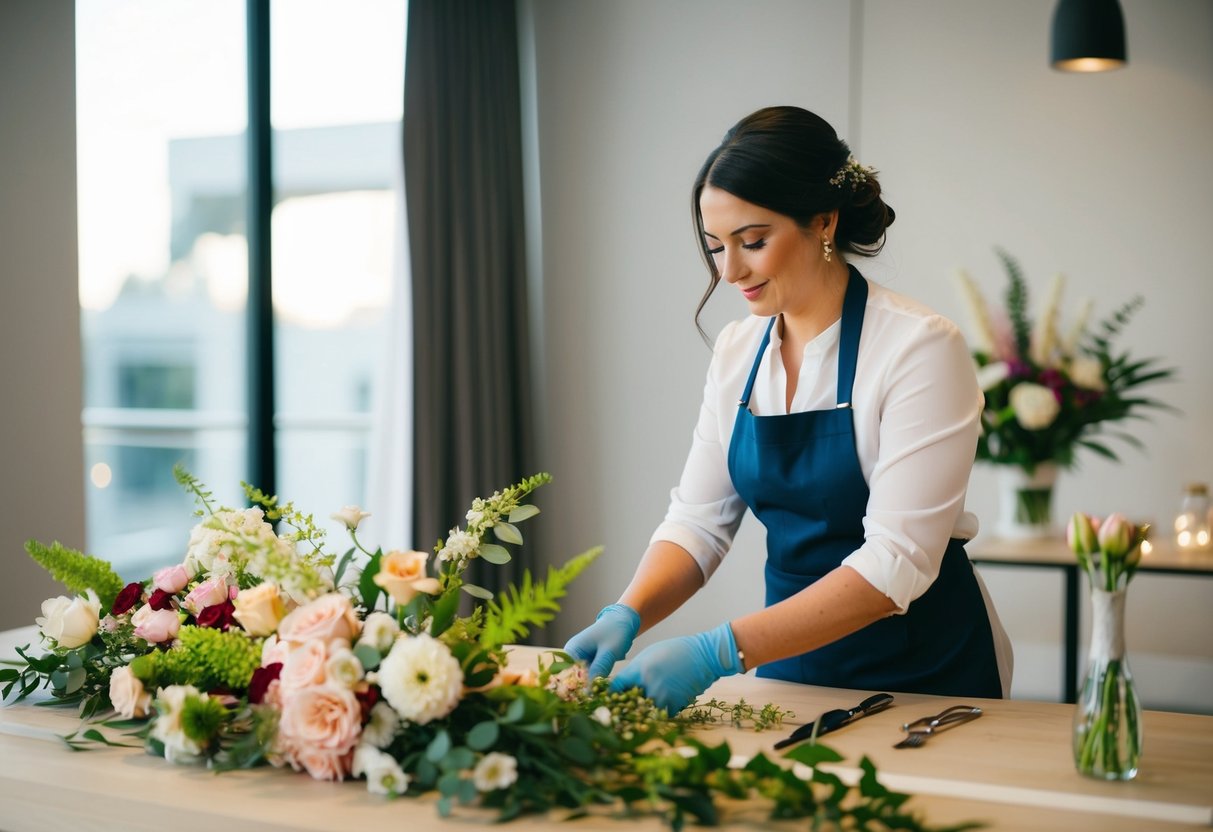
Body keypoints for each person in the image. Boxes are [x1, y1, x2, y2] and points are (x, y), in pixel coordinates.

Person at [563, 106, 1012, 714]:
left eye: (752, 242)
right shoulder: (737, 349)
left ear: (823, 222)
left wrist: (719, 650)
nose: (729, 271)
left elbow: (896, 562)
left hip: (922, 671)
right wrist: (629, 610)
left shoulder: (919, 348)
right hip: (789, 662)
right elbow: (699, 521)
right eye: (715, 246)